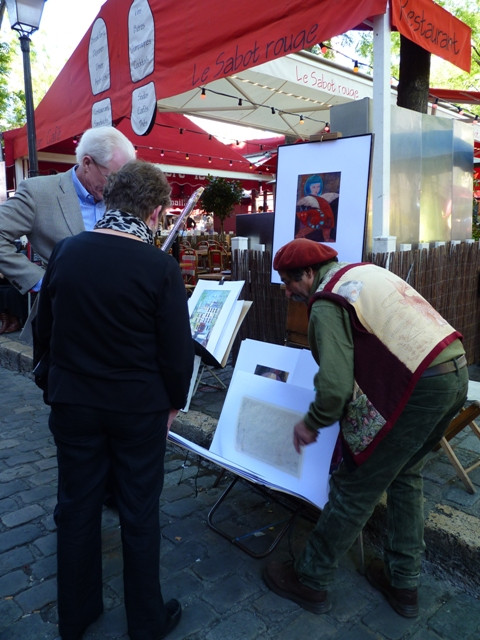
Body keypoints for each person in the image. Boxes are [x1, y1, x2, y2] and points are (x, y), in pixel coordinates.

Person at [263, 238, 468, 618]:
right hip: (455, 372)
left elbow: (337, 386)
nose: (287, 291)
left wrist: (313, 423)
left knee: (355, 486)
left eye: (289, 283)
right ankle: (403, 584)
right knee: (406, 474)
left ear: (308, 273)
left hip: (421, 387)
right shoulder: (362, 272)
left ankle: (310, 580)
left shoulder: (326, 301)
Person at [34, 160, 194, 640]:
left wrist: (53, 387)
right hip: (136, 407)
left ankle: (76, 615)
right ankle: (146, 621)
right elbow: (175, 350)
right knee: (139, 509)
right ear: (157, 211)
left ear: (108, 199)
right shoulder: (160, 266)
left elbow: (46, 329)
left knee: (76, 505)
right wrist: (172, 404)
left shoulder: (67, 252)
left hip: (75, 402)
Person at [0, 125, 136, 300]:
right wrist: (41, 281)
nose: (117, 186)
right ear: (87, 163)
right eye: (111, 178)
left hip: (117, 310)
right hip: (65, 313)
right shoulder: (39, 192)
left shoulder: (120, 196)